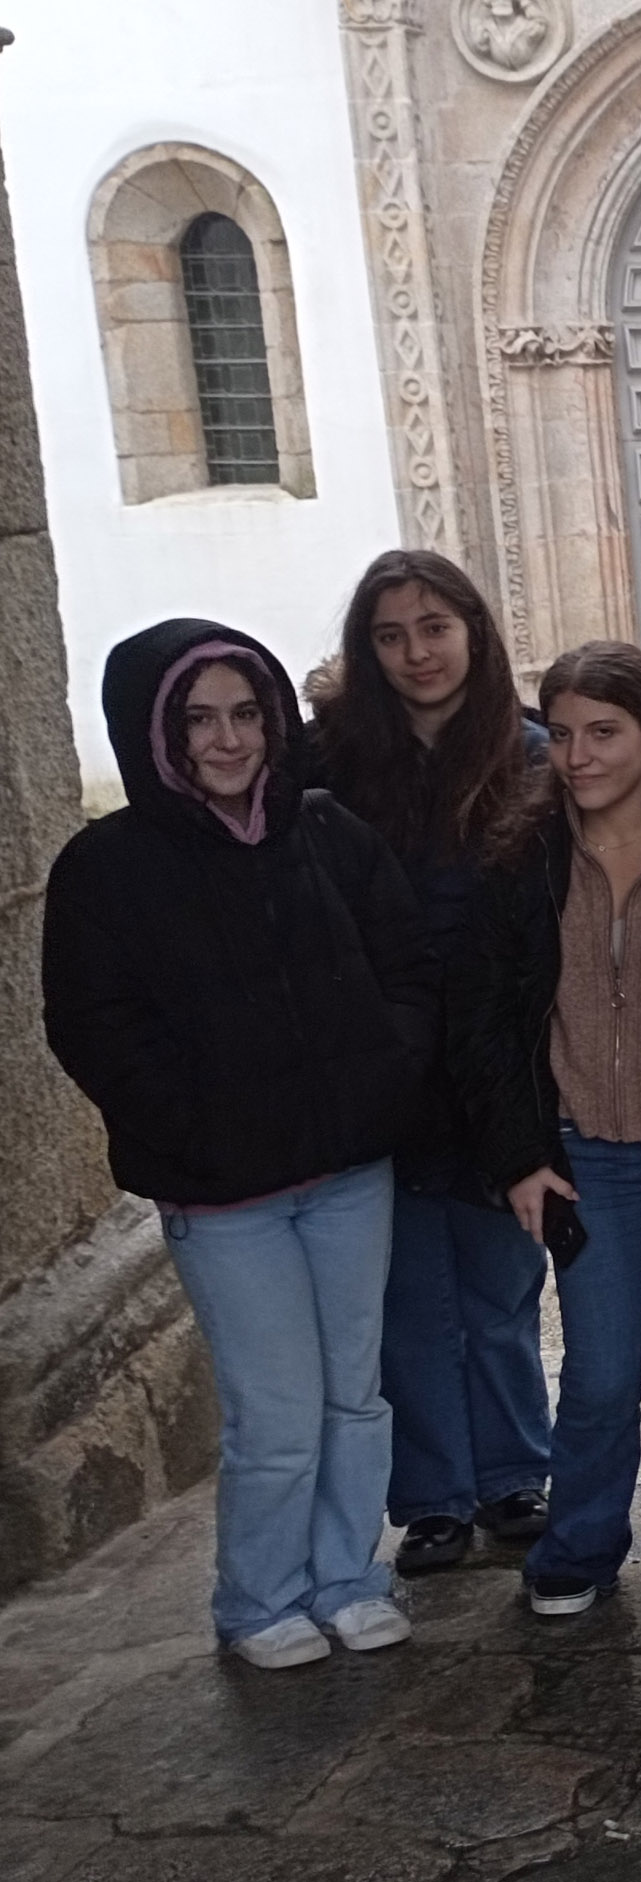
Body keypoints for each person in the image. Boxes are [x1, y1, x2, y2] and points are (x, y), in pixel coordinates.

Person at [44, 621, 434, 1667]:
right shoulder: (108, 869)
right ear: (158, 733)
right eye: (199, 719)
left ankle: (347, 1576)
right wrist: (194, 1129)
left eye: (246, 714)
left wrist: (384, 1076)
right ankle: (260, 1597)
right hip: (226, 1198)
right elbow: (96, 1026)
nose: (228, 740)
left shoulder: (327, 832)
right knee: (275, 1411)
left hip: (347, 1172)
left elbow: (405, 964)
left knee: (355, 1393)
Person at [449, 641, 641, 1616]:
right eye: (564, 732)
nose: (578, 756)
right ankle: (579, 1543)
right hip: (587, 1154)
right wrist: (519, 1159)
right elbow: (487, 1021)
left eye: (605, 732)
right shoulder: (524, 856)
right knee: (601, 1371)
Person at [307, 550, 552, 1575]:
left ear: (473, 634)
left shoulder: (531, 756)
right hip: (385, 1070)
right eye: (391, 635)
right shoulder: (334, 766)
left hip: (499, 1066)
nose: (417, 653)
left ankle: (515, 1474)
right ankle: (434, 1497)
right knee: (409, 1302)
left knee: (501, 1292)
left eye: (435, 628)